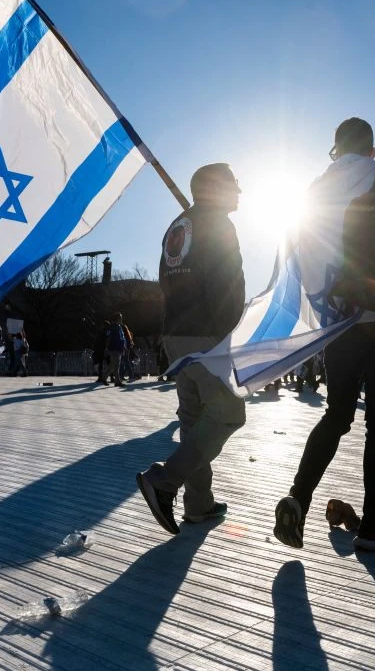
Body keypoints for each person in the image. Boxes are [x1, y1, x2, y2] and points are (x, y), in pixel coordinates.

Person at [273, 118, 375, 551]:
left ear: (334, 150)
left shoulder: (314, 191)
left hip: (339, 325)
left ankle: (298, 496)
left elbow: (303, 255)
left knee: (336, 416)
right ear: (372, 150)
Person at [137, 163, 247, 536]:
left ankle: (199, 504)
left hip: (178, 333)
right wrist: (232, 331)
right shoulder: (218, 224)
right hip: (208, 335)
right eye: (234, 185)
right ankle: (166, 480)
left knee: (194, 419)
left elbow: (165, 281)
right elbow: (229, 284)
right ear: (218, 189)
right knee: (229, 415)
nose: (239, 192)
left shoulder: (179, 225)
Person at [105, 313, 129, 386]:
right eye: (121, 318)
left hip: (119, 348)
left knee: (114, 365)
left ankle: (107, 378)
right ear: (117, 319)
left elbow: (122, 338)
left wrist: (124, 347)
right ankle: (115, 381)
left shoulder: (119, 327)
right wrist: (106, 348)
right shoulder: (112, 327)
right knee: (115, 365)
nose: (121, 319)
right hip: (114, 348)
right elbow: (108, 338)